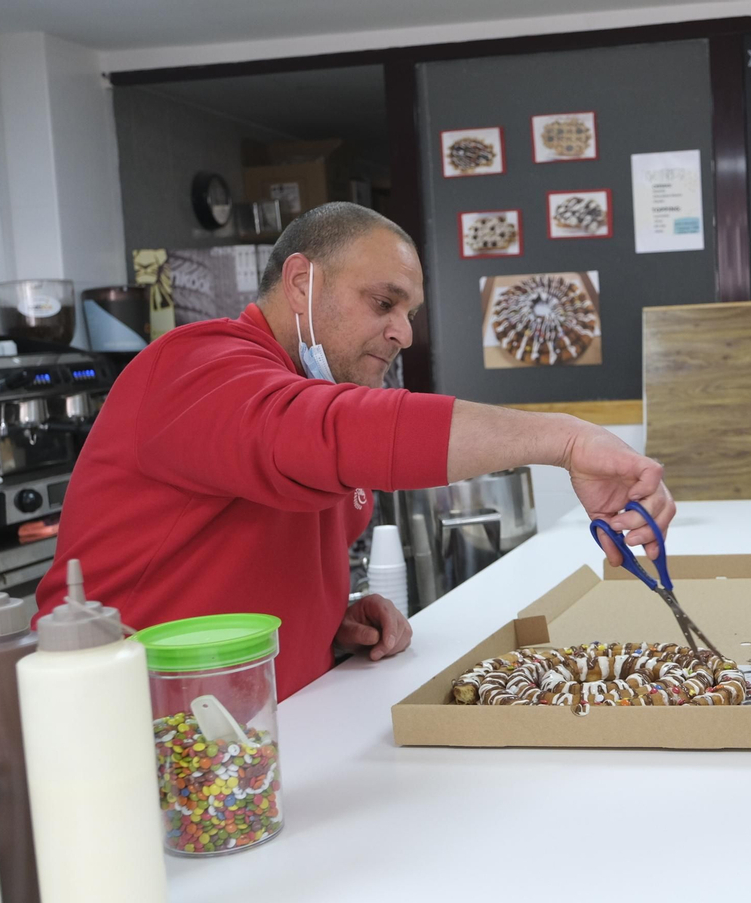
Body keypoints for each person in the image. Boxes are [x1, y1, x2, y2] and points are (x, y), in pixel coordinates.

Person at [36, 203, 673, 700]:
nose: (402, 331)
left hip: (259, 736)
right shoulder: (193, 366)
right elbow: (333, 434)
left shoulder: (313, 388)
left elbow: (248, 540)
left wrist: (319, 621)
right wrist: (565, 440)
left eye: (410, 312)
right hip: (144, 739)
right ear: (300, 283)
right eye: (383, 303)